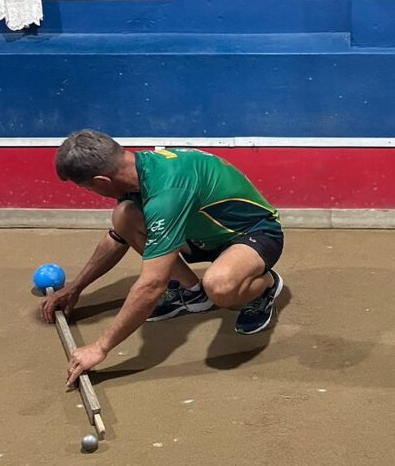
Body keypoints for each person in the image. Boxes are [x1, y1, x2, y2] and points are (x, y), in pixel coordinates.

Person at [40, 130, 284, 385]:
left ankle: (265, 286)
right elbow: (118, 238)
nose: (91, 192)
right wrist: (75, 288)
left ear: (101, 180)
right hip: (201, 233)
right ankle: (192, 292)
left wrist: (100, 347)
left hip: (254, 233)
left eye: (87, 187)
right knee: (124, 215)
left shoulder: (167, 190)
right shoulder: (133, 171)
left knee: (220, 287)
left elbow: (152, 285)